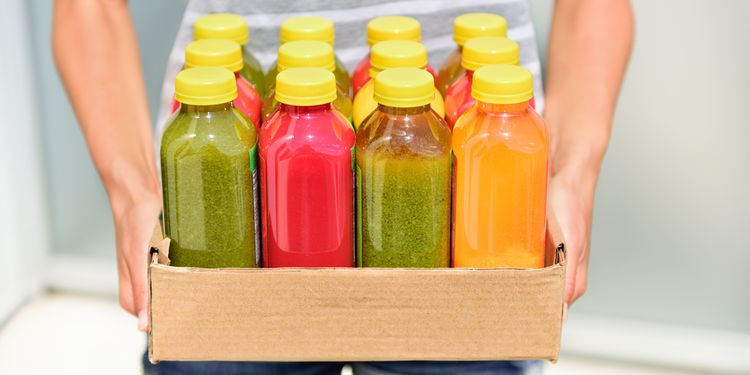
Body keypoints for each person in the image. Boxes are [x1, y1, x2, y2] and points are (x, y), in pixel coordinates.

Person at [52, 0, 634, 374]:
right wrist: (133, 193)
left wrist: (571, 175)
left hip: (468, 282)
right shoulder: (255, 134)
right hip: (228, 278)